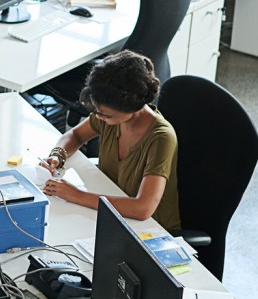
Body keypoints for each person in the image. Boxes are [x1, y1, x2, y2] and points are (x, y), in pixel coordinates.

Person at [41, 51, 181, 231]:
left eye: (104, 114)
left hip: (149, 230)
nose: (98, 116)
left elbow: (143, 208)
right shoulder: (111, 115)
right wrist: (57, 155)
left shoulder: (161, 138)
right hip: (111, 211)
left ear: (132, 108)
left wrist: (76, 195)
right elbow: (74, 136)